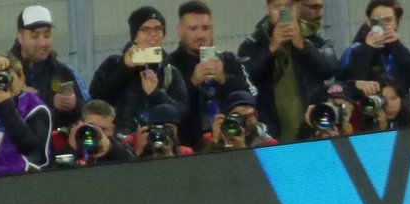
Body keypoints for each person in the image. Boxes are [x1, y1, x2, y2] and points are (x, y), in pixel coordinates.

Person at [237, 0, 340, 142]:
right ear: (268, 9)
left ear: (297, 8)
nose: (282, 13)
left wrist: (302, 45)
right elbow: (246, 79)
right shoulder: (253, 43)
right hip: (270, 132)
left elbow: (331, 68)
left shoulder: (316, 39)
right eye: (277, 7)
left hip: (311, 128)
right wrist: (271, 49)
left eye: (288, 7)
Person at [168, 2, 257, 150]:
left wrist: (224, 79)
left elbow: (250, 97)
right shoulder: (170, 65)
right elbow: (169, 109)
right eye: (193, 29)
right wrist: (192, 82)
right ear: (180, 31)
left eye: (205, 28)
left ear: (212, 29)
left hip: (232, 140)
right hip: (188, 145)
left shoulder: (229, 60)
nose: (200, 35)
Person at [90, 7, 192, 134]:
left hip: (159, 141)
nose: (153, 34)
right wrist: (124, 67)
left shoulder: (169, 71)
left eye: (158, 29)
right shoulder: (114, 63)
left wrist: (156, 93)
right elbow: (96, 98)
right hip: (123, 141)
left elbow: (182, 111)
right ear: (134, 35)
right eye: (145, 29)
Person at [12, 5, 92, 128]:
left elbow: (90, 112)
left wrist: (74, 105)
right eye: (35, 36)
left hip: (55, 146)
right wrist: (50, 103)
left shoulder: (65, 72)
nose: (43, 42)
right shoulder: (4, 72)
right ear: (20, 37)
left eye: (47, 35)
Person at [340, 1, 410, 107]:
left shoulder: (404, 51)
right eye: (376, 21)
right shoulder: (353, 50)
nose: (382, 25)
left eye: (388, 20)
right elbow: (348, 84)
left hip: (400, 116)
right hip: (367, 114)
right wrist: (366, 50)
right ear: (368, 22)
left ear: (396, 22)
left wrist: (397, 47)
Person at [54, 98, 137, 165]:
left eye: (103, 129)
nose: (98, 132)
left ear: (111, 130)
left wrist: (110, 150)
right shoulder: (60, 139)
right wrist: (70, 149)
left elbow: (132, 170)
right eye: (92, 127)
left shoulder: (120, 147)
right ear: (80, 124)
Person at [201, 91, 279, 149]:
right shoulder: (210, 139)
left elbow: (265, 170)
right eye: (237, 116)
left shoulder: (269, 144)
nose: (245, 122)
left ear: (256, 115)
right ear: (226, 118)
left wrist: (241, 149)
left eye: (249, 115)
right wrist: (215, 143)